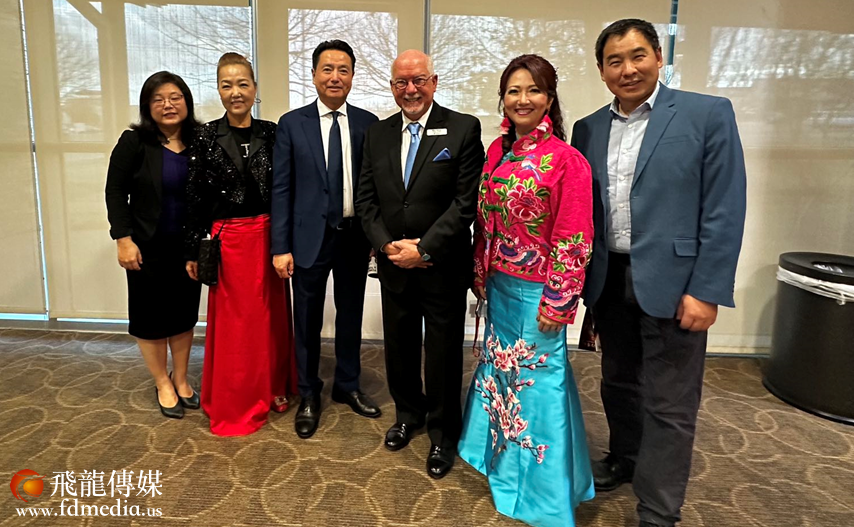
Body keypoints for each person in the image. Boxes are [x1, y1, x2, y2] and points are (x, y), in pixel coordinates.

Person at [570, 19, 747, 527]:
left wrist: (707, 289)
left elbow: (724, 208)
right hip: (609, 278)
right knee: (618, 383)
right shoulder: (587, 128)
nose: (627, 69)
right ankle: (625, 458)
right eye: (615, 61)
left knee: (670, 403)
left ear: (659, 57)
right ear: (601, 70)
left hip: (677, 284)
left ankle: (658, 511)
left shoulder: (707, 114)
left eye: (638, 56)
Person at [457, 54, 595, 527]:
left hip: (540, 294)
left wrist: (560, 300)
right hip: (500, 288)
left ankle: (545, 495)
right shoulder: (497, 152)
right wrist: (480, 274)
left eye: (533, 90)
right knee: (502, 378)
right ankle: (504, 469)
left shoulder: (567, 161)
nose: (522, 99)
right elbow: (485, 224)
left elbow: (574, 237)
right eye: (513, 91)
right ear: (503, 99)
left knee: (540, 385)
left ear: (549, 99)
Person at [355, 49, 484, 479]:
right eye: (401, 82)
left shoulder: (463, 128)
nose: (410, 89)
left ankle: (444, 433)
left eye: (418, 80)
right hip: (394, 262)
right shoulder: (377, 133)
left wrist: (424, 249)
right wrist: (387, 245)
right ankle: (408, 415)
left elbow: (465, 203)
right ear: (392, 86)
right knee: (400, 346)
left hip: (441, 266)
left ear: (434, 82)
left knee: (443, 353)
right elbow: (366, 200)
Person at [271, 40, 381, 440]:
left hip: (354, 236)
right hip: (307, 238)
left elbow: (375, 186)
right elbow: (281, 189)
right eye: (328, 69)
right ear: (315, 74)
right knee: (307, 319)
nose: (335, 77)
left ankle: (347, 385)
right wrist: (280, 247)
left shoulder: (369, 124)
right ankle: (308, 392)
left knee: (351, 314)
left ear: (352, 76)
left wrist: (378, 236)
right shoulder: (292, 124)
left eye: (343, 70)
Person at [185, 53, 298, 436]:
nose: (236, 92)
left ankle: (273, 386)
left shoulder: (273, 132)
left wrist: (286, 241)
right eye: (227, 85)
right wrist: (191, 249)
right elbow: (194, 197)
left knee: (270, 320)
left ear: (254, 88)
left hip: (269, 238)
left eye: (242, 84)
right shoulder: (204, 136)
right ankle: (238, 396)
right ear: (219, 90)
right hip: (228, 242)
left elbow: (285, 190)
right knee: (237, 327)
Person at [105, 71, 202, 420]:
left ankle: (182, 378)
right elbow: (115, 191)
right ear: (147, 106)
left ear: (187, 101)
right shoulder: (134, 142)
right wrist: (123, 239)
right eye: (158, 99)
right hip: (146, 247)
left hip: (187, 248)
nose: (168, 105)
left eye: (175, 97)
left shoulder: (200, 141)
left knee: (183, 316)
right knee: (150, 318)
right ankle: (162, 381)